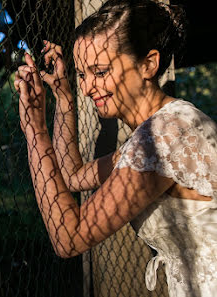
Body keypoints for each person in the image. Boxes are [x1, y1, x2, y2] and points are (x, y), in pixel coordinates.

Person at [14, 0, 217, 296]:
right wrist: (63, 99)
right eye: (82, 74)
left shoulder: (164, 136)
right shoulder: (166, 127)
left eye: (100, 71)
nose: (86, 87)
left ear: (148, 64)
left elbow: (68, 238)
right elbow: (73, 176)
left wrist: (34, 130)